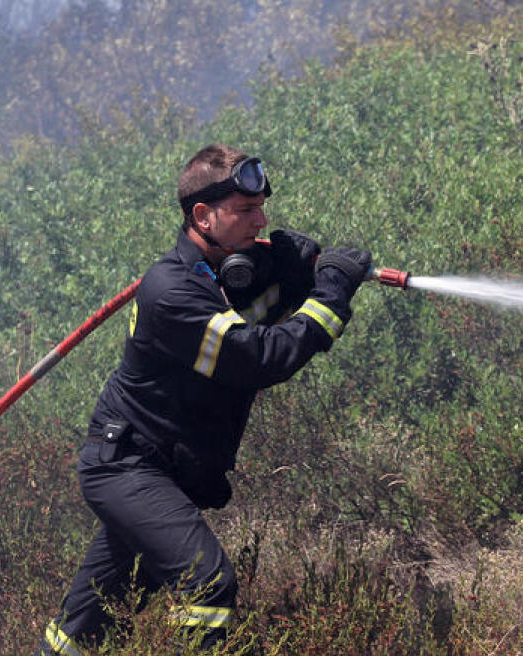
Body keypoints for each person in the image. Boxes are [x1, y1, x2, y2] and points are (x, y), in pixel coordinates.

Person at [37, 144, 371, 654]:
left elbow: (262, 307)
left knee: (84, 631)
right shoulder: (171, 289)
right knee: (208, 584)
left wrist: (302, 269)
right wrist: (331, 295)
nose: (259, 221)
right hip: (126, 466)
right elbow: (259, 359)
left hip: (165, 472)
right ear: (202, 215)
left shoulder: (233, 271)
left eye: (261, 208)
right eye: (244, 211)